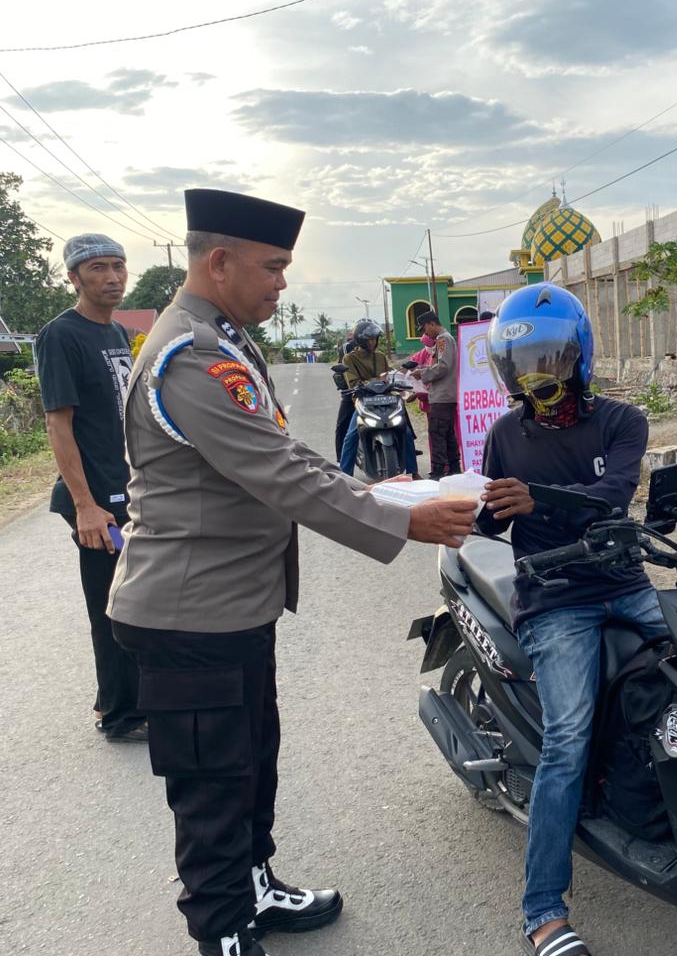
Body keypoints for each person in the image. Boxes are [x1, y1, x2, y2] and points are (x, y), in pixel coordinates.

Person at [106, 188, 477, 956]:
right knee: (213, 784)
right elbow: (278, 474)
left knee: (251, 762)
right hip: (189, 615)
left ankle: (254, 884)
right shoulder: (191, 353)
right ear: (219, 261)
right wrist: (401, 520)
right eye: (272, 267)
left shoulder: (220, 338)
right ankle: (222, 929)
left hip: (231, 608)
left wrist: (373, 492)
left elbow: (278, 451)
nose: (282, 283)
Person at [477, 283, 664, 956]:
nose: (536, 377)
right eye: (522, 364)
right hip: (554, 600)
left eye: (548, 359)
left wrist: (538, 499)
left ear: (578, 355)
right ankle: (543, 912)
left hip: (626, 584)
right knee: (566, 740)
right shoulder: (504, 434)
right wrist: (461, 504)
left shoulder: (621, 421)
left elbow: (613, 494)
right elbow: (491, 519)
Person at [35, 233, 146, 742]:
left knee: (134, 597)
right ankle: (121, 715)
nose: (112, 277)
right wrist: (85, 505)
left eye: (117, 265)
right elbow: (59, 424)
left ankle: (119, 700)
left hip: (126, 493)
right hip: (96, 501)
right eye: (97, 267)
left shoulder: (119, 333)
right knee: (113, 604)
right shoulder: (61, 336)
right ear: (74, 278)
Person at [338, 318, 418, 477]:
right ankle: (345, 476)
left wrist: (401, 379)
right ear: (361, 340)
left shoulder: (380, 356)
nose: (373, 342)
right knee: (351, 436)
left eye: (375, 339)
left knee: (406, 432)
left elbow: (389, 374)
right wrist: (378, 380)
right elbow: (352, 382)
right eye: (370, 339)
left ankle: (413, 471)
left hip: (386, 400)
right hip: (364, 402)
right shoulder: (349, 359)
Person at [411, 309, 461, 478]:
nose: (425, 333)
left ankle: (438, 472)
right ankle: (454, 468)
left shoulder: (442, 339)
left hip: (442, 395)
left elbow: (443, 366)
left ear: (432, 324)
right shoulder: (446, 339)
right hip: (447, 395)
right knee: (448, 434)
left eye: (425, 328)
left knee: (437, 433)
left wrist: (423, 373)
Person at [333, 331, 357, 458]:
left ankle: (408, 448)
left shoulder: (377, 354)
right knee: (342, 426)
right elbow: (345, 369)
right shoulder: (347, 349)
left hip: (375, 392)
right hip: (352, 391)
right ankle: (341, 459)